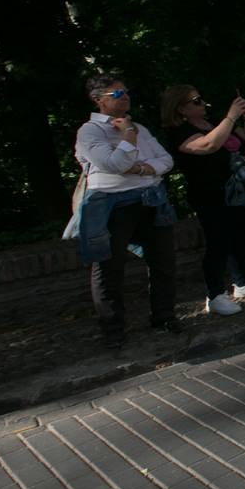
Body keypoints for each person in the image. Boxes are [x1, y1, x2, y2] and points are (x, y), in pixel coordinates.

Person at [68, 74, 179, 348]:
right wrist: (129, 137)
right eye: (117, 94)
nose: (125, 97)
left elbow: (166, 160)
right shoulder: (90, 132)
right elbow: (113, 164)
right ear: (98, 100)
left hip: (150, 199)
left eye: (126, 91)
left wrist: (139, 167)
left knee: (163, 261)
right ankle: (113, 330)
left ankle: (164, 316)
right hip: (111, 205)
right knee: (108, 268)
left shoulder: (138, 125)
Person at [162, 84, 245, 317]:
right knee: (217, 241)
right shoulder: (180, 132)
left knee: (241, 235)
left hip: (236, 191)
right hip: (209, 193)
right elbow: (209, 145)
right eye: (196, 100)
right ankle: (215, 294)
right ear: (180, 108)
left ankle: (242, 283)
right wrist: (231, 117)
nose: (202, 103)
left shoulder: (214, 124)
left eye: (201, 99)